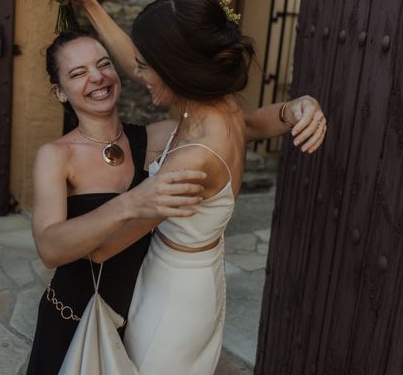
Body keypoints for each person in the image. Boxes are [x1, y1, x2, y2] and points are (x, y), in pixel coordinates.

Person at [26, 25, 325, 372]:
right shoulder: (55, 155)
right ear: (60, 91)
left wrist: (298, 107)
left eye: (104, 64)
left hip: (138, 317)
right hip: (74, 316)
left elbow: (249, 126)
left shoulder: (160, 136)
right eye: (78, 73)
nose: (97, 77)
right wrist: (129, 203)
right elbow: (49, 248)